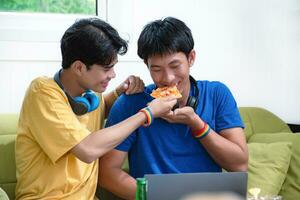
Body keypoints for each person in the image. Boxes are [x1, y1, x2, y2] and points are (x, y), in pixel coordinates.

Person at [15, 17, 177, 200]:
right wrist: (148, 113)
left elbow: (98, 109)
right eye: (107, 68)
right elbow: (87, 149)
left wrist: (119, 92)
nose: (113, 74)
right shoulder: (42, 92)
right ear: (79, 67)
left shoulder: (90, 94)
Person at [99, 17, 248, 200]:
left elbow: (239, 165)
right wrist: (157, 196)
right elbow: (106, 174)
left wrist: (197, 125)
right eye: (156, 69)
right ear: (147, 66)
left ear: (191, 58)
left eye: (175, 66)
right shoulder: (130, 103)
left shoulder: (218, 94)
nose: (168, 78)